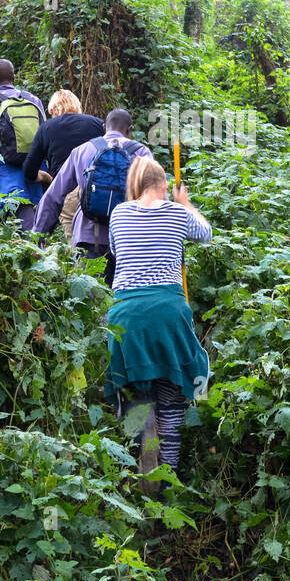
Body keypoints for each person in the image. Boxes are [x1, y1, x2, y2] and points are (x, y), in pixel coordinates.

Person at [106, 157, 212, 486]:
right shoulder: (178, 213)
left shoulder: (119, 214)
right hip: (168, 313)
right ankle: (169, 486)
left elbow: (115, 250)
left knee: (137, 399)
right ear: (164, 184)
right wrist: (186, 203)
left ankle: (136, 475)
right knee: (171, 403)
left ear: (136, 185)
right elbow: (206, 234)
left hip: (126, 317)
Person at [32, 108, 151, 266]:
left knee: (90, 288)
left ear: (104, 127)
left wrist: (37, 236)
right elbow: (156, 199)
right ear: (129, 130)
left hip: (88, 237)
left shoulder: (82, 151)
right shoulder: (142, 152)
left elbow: (54, 196)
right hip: (128, 240)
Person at [0, 59, 46, 230]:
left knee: (13, 224)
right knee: (34, 218)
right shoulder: (33, 99)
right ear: (14, 77)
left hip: (7, 169)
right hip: (37, 168)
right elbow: (44, 133)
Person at [22, 89, 104, 242]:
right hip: (99, 190)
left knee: (78, 247)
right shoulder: (97, 123)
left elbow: (29, 170)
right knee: (102, 243)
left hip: (68, 192)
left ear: (53, 109)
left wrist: (46, 177)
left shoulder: (47, 127)